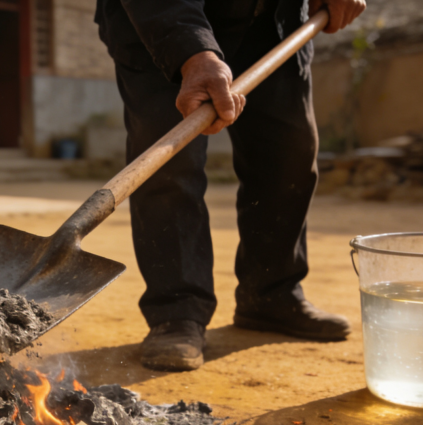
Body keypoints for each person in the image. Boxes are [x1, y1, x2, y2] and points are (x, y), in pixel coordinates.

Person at [95, 0, 366, 371]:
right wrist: (191, 50)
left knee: (289, 158)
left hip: (273, 20)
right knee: (169, 168)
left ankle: (270, 295)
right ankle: (177, 311)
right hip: (160, 22)